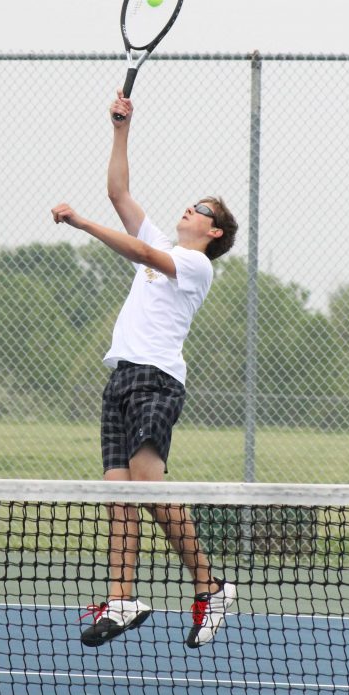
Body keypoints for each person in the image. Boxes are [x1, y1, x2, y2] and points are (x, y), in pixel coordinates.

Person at [51, 90, 238, 649]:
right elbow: (119, 192)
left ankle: (212, 587)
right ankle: (123, 596)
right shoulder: (162, 239)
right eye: (194, 204)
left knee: (150, 491)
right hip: (121, 380)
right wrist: (120, 128)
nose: (191, 210)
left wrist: (82, 223)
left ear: (214, 233)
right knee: (119, 495)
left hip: (157, 380)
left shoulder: (195, 265)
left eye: (202, 211)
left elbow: (141, 254)